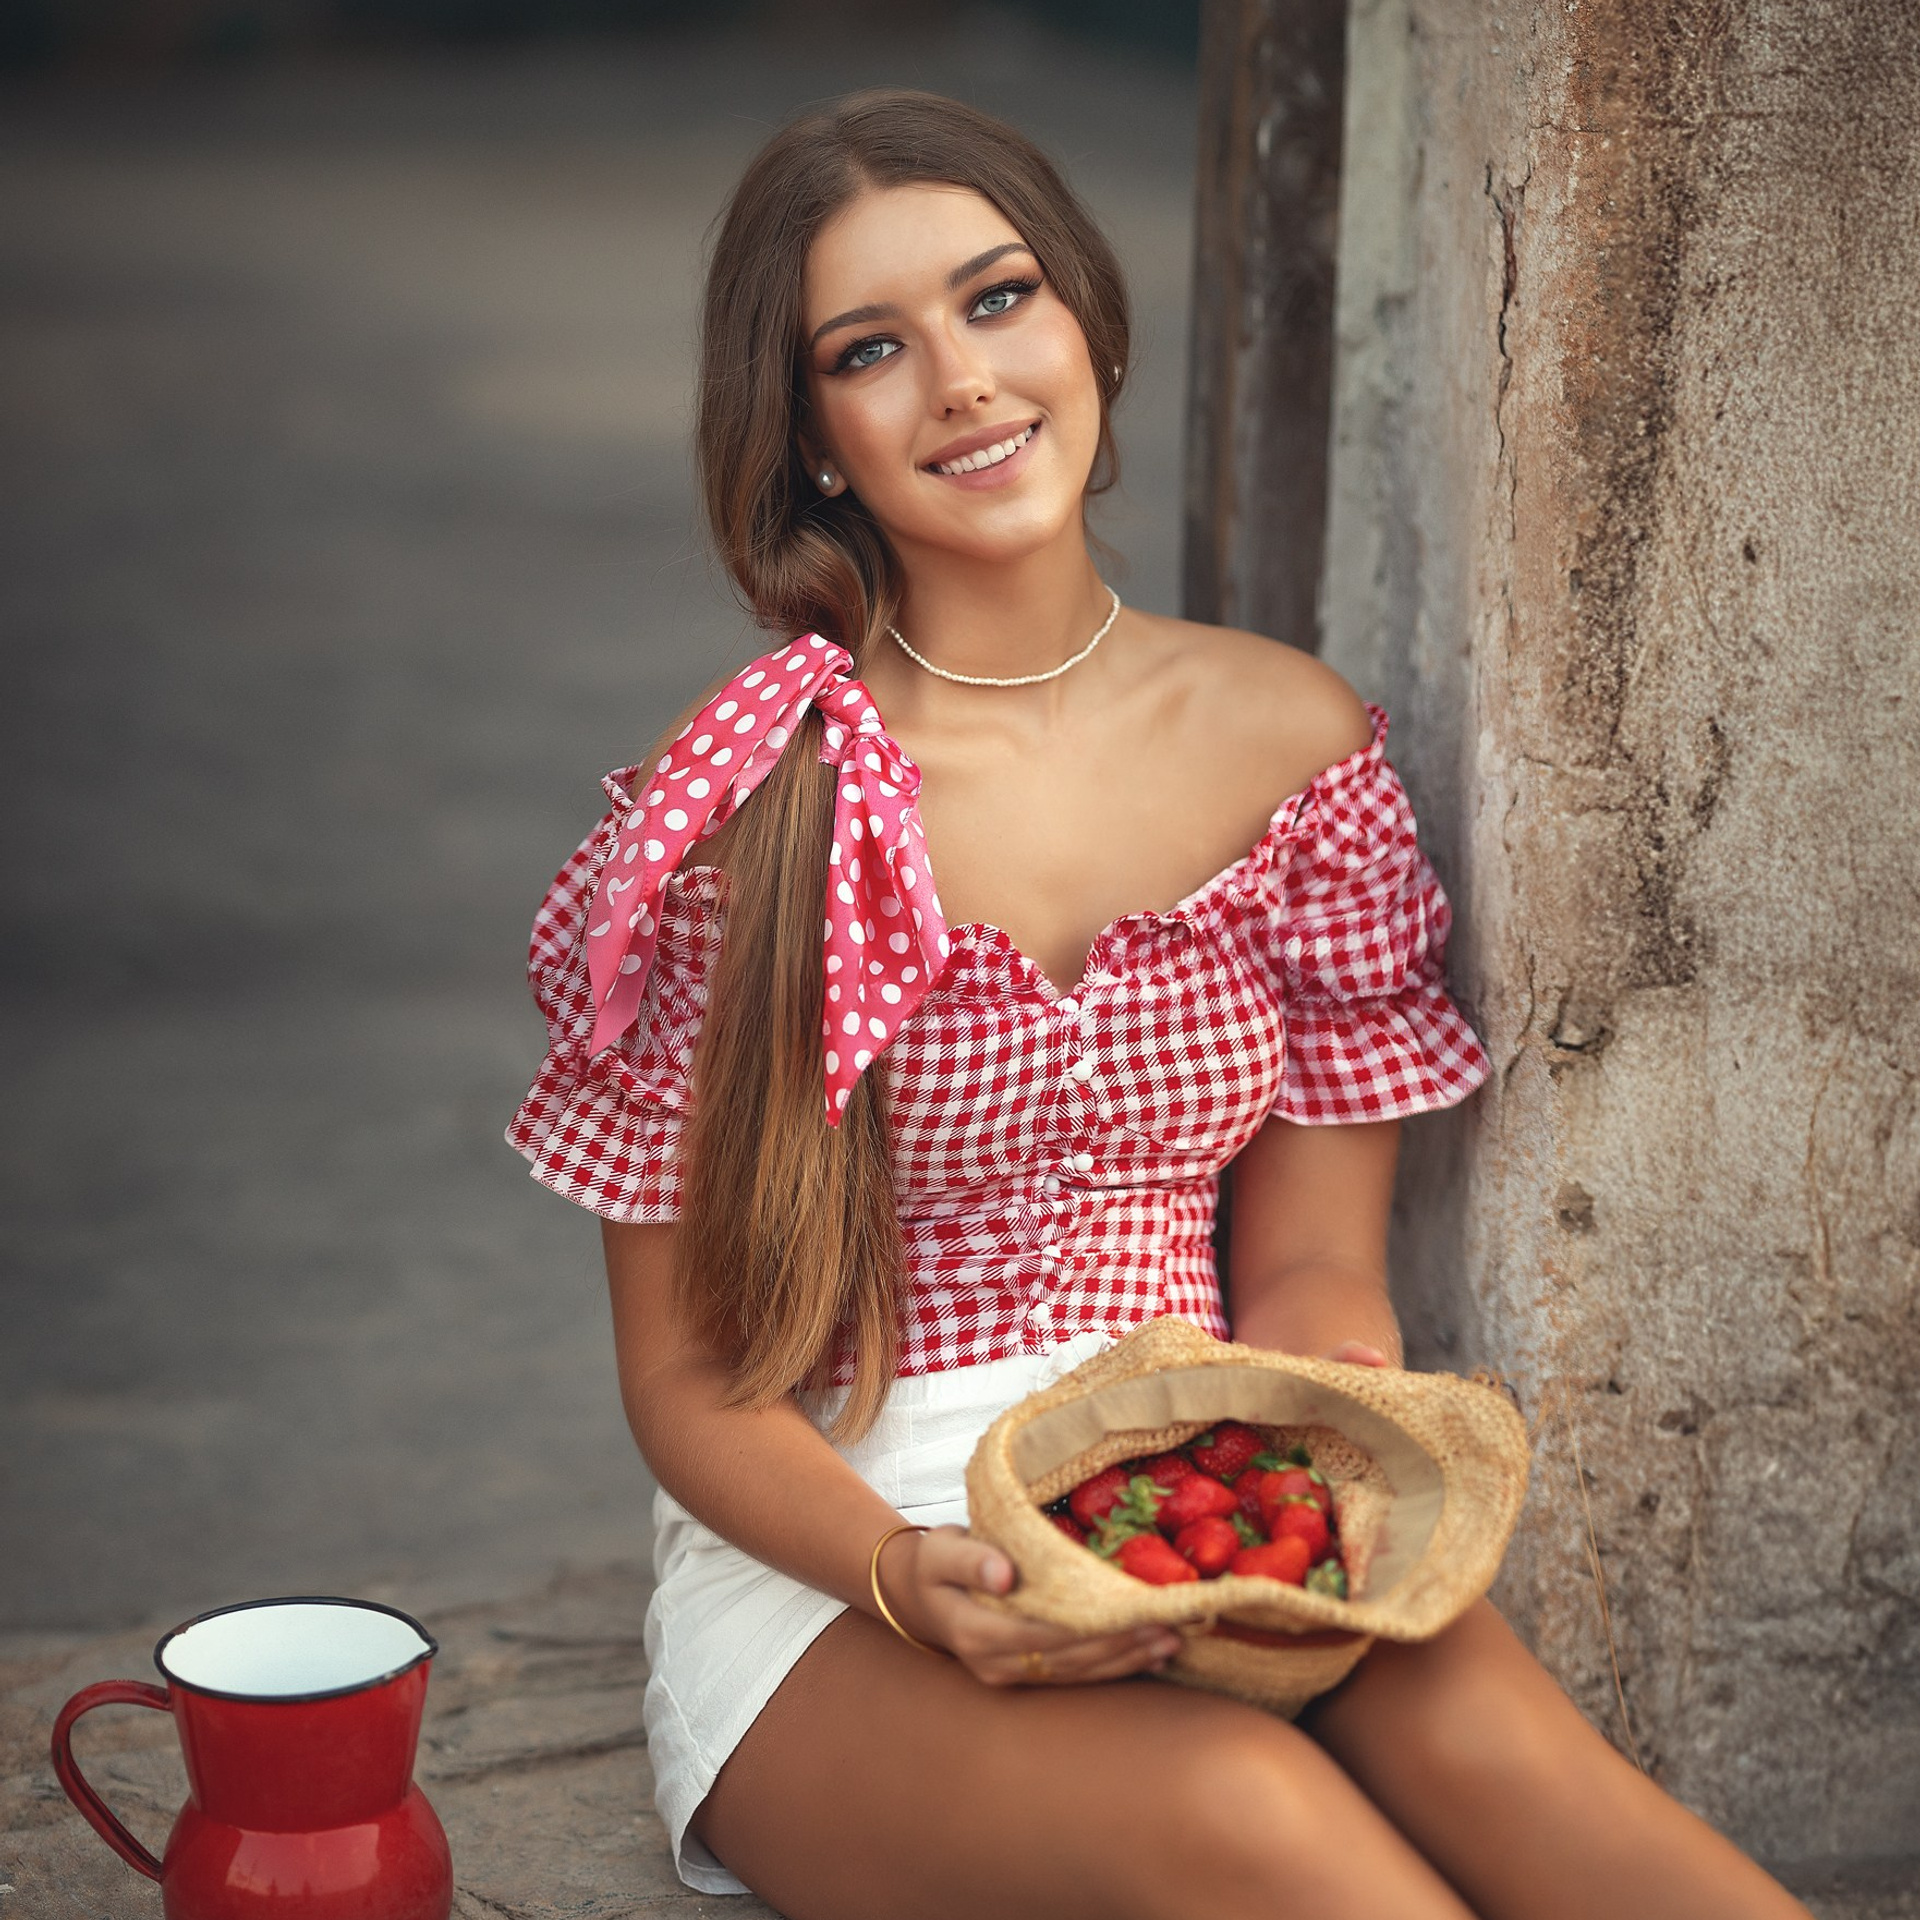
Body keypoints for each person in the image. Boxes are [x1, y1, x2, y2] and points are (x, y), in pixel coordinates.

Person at [509, 87, 1810, 1920]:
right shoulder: (740, 811)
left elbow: (1309, 1269)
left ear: (1087, 323)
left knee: (1529, 1771)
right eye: (870, 350)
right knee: (1258, 1827)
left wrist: (1329, 1407)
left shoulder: (1291, 744)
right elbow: (687, 1388)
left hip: (1199, 1475)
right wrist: (904, 1572)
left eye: (997, 298)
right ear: (807, 437)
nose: (961, 381)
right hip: (843, 1565)